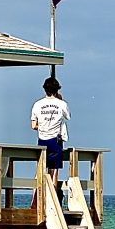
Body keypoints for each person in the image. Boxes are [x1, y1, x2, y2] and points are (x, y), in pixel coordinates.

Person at [31, 77, 69, 206]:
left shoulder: (37, 104)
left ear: (45, 89)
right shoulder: (61, 104)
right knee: (54, 170)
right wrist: (59, 99)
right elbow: (68, 116)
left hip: (42, 140)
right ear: (57, 89)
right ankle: (52, 199)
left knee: (41, 169)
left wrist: (42, 126)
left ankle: (38, 198)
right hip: (55, 140)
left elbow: (33, 125)